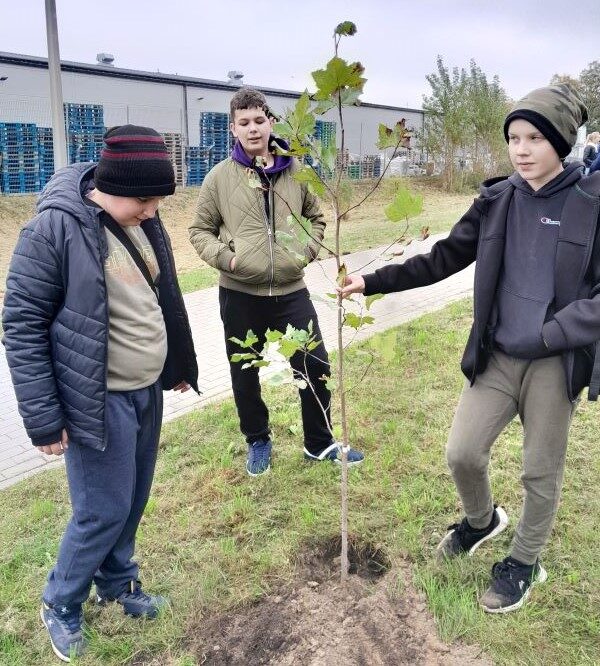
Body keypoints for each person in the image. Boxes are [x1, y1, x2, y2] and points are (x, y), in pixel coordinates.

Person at [340, 84, 599, 614]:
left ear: (561, 140)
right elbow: (443, 257)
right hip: (498, 356)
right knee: (462, 452)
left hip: (554, 361)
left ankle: (524, 562)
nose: (521, 150)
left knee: (539, 469)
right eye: (513, 138)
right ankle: (483, 521)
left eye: (534, 138)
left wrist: (554, 333)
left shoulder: (591, 203)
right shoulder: (498, 199)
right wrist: (373, 282)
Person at [2, 125, 199, 661]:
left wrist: (174, 364)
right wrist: (43, 420)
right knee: (101, 509)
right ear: (107, 187)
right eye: (144, 199)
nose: (153, 211)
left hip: (144, 392)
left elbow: (162, 298)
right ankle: (60, 600)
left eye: (158, 199)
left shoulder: (140, 221)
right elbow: (21, 323)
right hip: (98, 399)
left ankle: (117, 583)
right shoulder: (52, 232)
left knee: (131, 502)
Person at [189, 87, 363, 476]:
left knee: (314, 364)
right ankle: (258, 440)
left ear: (271, 122)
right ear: (233, 128)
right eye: (243, 122)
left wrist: (303, 253)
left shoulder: (296, 170)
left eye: (259, 120)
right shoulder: (219, 178)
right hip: (239, 293)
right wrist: (229, 258)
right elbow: (200, 230)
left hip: (290, 290)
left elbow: (316, 218)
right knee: (245, 373)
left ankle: (319, 443)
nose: (253, 129)